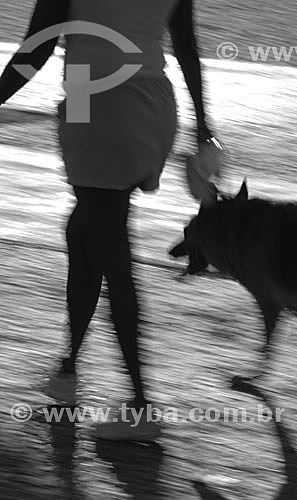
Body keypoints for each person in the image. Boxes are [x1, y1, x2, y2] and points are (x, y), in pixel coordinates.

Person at [0, 0, 218, 440]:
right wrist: (202, 126)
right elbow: (187, 49)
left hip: (96, 99)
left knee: (110, 247)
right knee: (83, 231)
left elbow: (36, 49)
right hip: (147, 99)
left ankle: (140, 405)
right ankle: (68, 372)